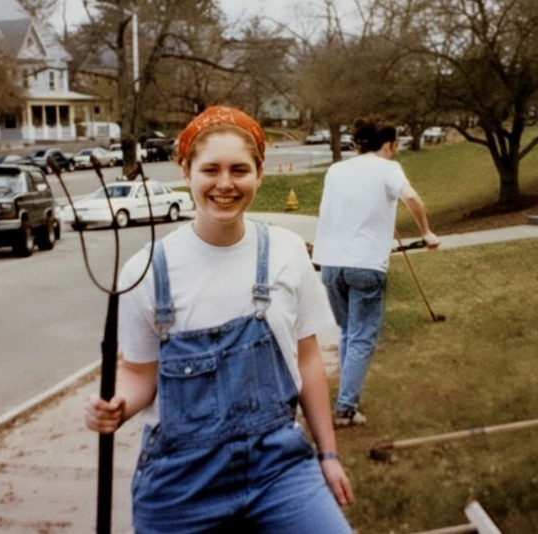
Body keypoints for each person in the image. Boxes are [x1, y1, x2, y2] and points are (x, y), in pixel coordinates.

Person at [85, 105, 355, 533]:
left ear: (259, 174)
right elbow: (139, 374)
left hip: (278, 470)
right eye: (210, 169)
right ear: (186, 171)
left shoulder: (287, 253)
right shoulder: (146, 270)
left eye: (239, 170)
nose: (225, 184)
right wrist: (116, 407)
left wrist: (328, 455)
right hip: (181, 484)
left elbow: (306, 362)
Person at [312, 118, 441, 427]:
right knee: (362, 337)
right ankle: (345, 409)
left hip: (330, 264)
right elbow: (411, 198)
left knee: (347, 331)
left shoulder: (337, 169)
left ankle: (346, 396)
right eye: (395, 145)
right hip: (365, 265)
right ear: (388, 144)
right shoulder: (388, 168)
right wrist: (427, 233)